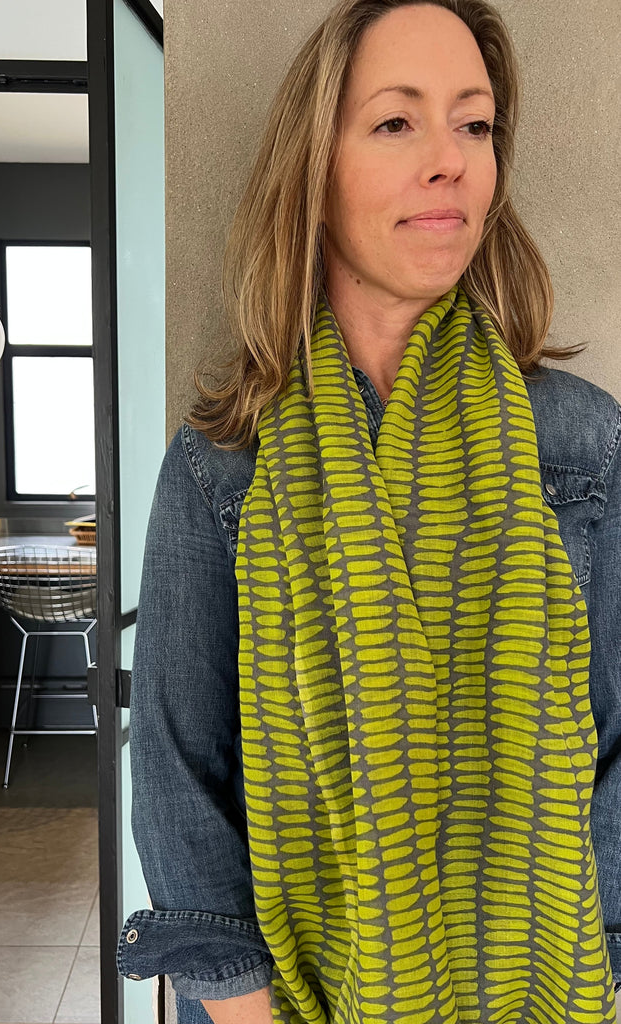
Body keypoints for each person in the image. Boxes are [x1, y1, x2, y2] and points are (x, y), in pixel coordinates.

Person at [117, 1, 621, 1021]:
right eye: (396, 121)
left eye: (472, 124)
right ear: (316, 168)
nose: (449, 161)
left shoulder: (581, 443)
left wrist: (598, 961)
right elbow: (177, 772)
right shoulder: (222, 464)